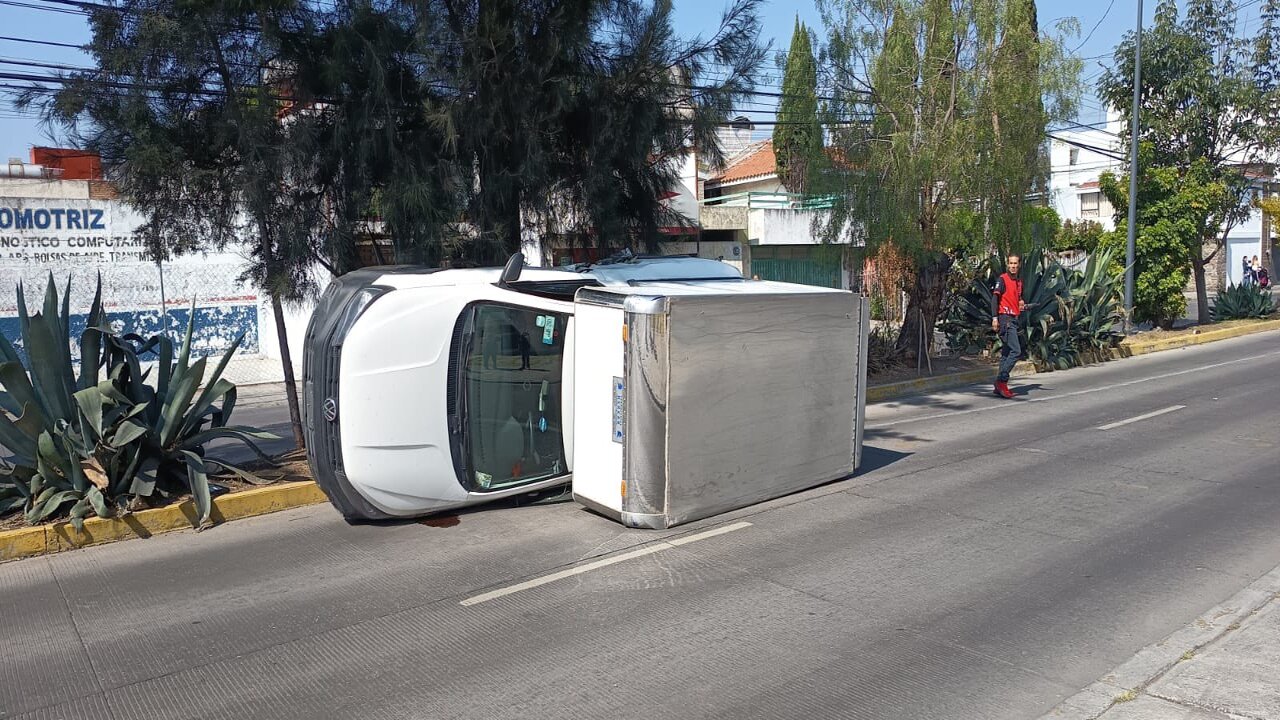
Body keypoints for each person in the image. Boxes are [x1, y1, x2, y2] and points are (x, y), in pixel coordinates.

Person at [991, 254, 1026, 399]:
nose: (1013, 266)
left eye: (1015, 263)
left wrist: (1021, 303)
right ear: (1008, 264)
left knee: (1006, 353)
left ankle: (999, 386)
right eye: (1010, 263)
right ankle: (1002, 381)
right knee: (1016, 351)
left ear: (1019, 265)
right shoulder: (1002, 279)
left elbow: (1017, 298)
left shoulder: (1018, 282)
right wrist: (995, 318)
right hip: (1005, 320)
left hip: (1013, 319)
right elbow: (995, 298)